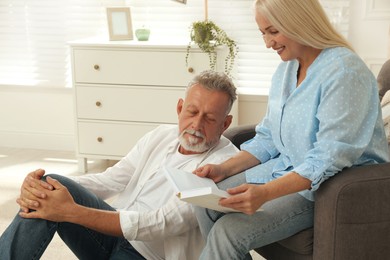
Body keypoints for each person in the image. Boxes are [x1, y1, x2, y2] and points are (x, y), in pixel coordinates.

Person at [193, 0, 390, 259]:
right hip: (287, 167)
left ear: (300, 21)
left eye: (273, 31)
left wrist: (265, 194)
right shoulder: (286, 69)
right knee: (203, 203)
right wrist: (223, 169)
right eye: (262, 33)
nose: (267, 43)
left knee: (228, 232)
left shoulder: (344, 71)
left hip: (330, 186)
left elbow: (327, 159)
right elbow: (268, 137)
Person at [0, 70, 239, 260]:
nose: (196, 125)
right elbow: (110, 180)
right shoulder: (161, 135)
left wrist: (72, 211)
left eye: (209, 118)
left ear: (225, 123)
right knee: (49, 186)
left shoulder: (224, 163)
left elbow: (163, 224)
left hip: (147, 255)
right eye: (192, 112)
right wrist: (42, 188)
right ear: (179, 108)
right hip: (110, 232)